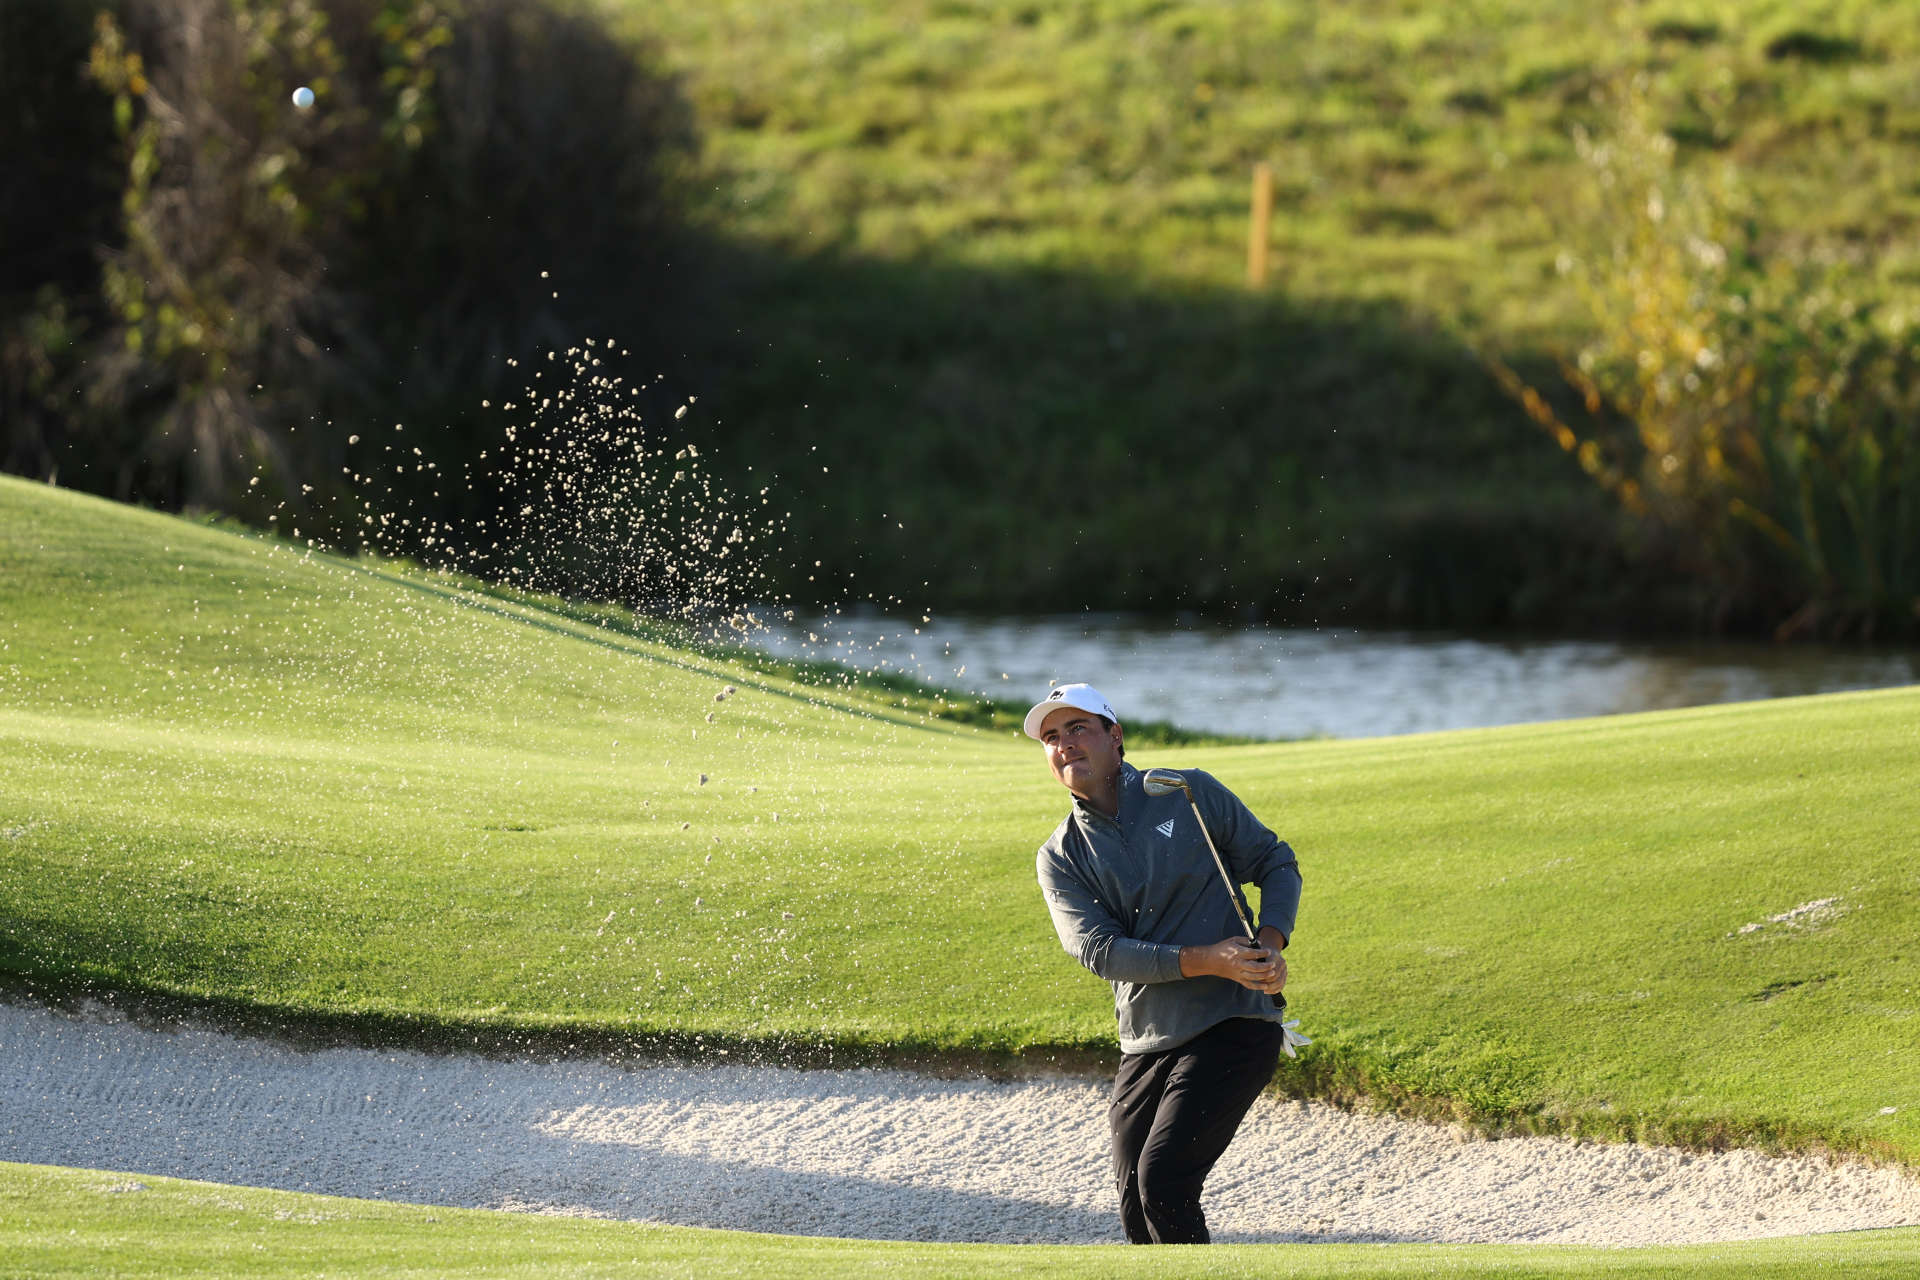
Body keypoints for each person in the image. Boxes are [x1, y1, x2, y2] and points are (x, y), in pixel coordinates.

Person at [1029, 682, 1302, 1246]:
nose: (1065, 745)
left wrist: (1270, 943)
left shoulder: (1187, 794)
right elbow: (1098, 950)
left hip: (1234, 1022)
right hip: (1148, 1040)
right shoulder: (1060, 855)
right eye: (1052, 738)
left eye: (1078, 728)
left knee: (1164, 1183)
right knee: (1136, 1209)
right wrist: (1209, 959)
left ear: (1115, 736)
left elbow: (1275, 861)